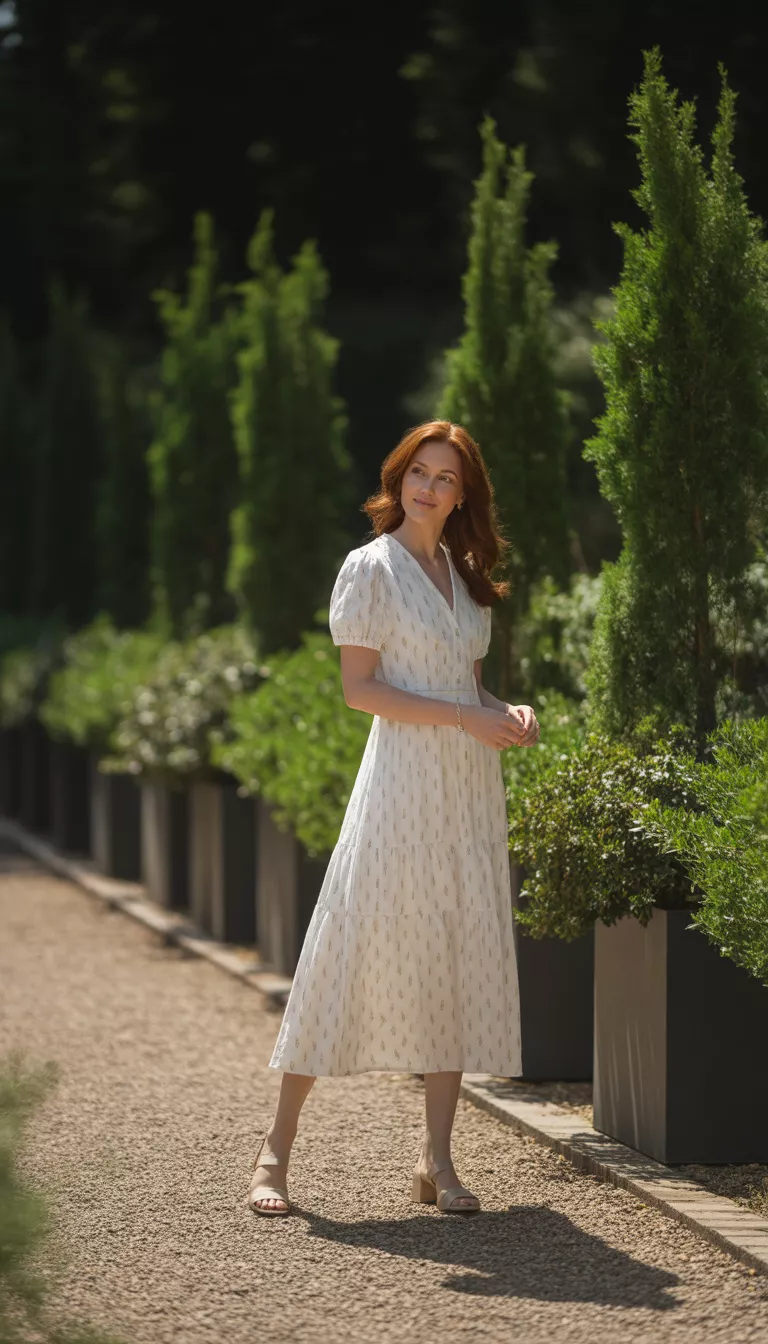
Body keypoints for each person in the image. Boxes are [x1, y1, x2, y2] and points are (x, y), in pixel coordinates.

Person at [248, 420, 540, 1217]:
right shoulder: (368, 568)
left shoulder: (466, 573)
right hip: (400, 788)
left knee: (453, 952)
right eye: (419, 472)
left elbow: (467, 686)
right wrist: (465, 716)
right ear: (398, 477)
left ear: (464, 496)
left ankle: (437, 1162)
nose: (429, 488)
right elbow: (361, 690)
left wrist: (506, 711)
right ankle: (274, 1153)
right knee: (343, 949)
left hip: (466, 792)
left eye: (446, 478)